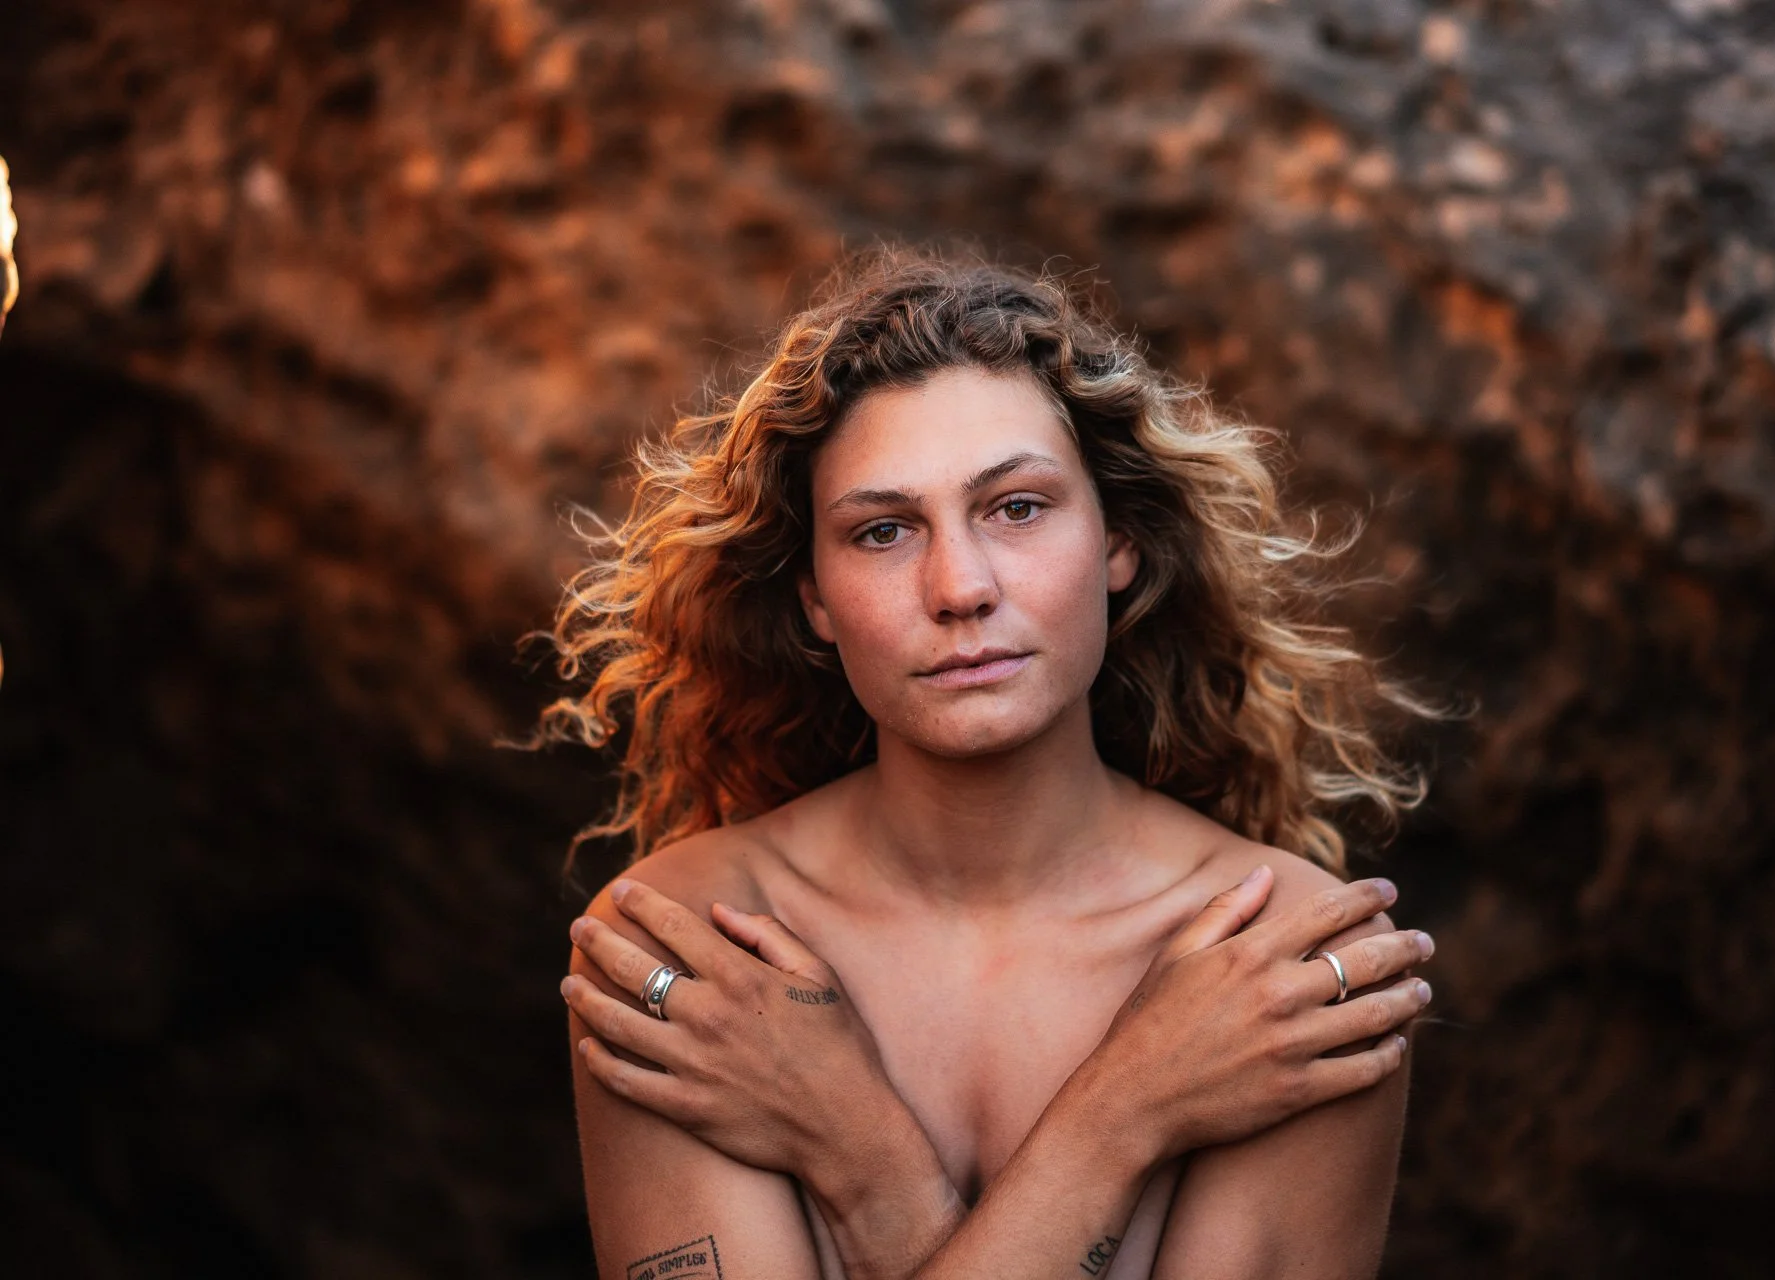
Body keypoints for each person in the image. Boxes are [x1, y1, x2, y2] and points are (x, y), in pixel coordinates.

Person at [526, 245, 1448, 1279]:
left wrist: (868, 1166)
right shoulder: (685, 957)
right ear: (813, 598)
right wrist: (1126, 1115)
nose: (959, 585)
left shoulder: (1288, 971)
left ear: (1118, 542)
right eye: (882, 530)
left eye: (1017, 507)